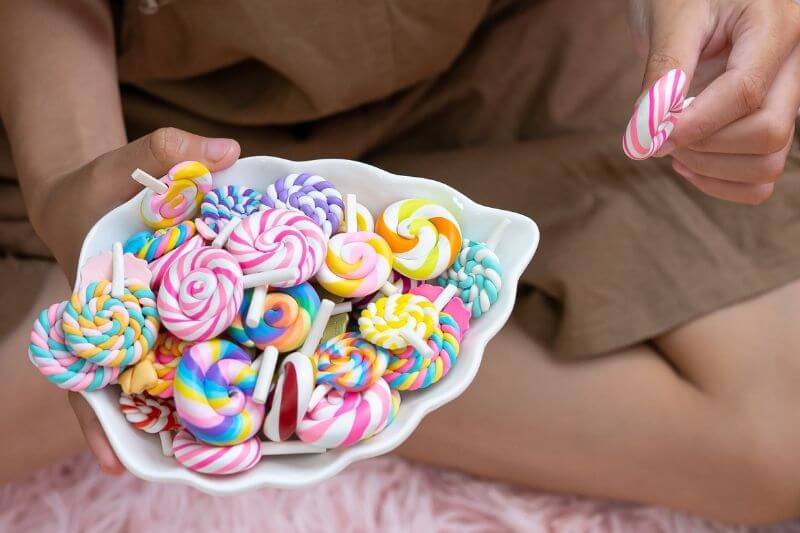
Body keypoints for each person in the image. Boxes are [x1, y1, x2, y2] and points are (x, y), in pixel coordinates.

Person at [2, 0, 800, 524]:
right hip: (142, 130)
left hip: (485, 58)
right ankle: (316, 372)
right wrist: (70, 182)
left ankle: (349, 368)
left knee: (777, 436)